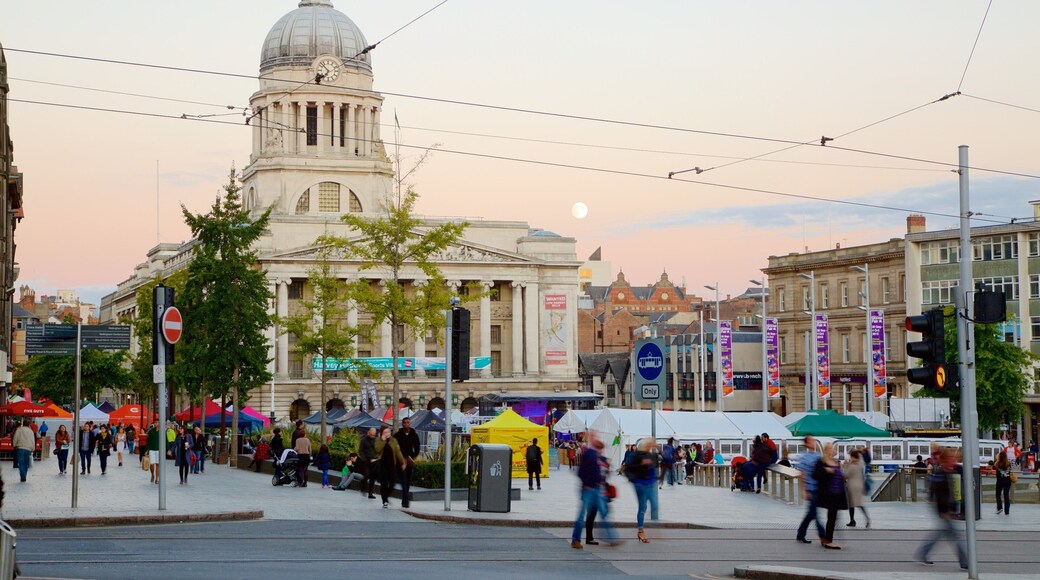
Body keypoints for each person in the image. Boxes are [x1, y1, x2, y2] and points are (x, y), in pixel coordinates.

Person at [914, 447, 968, 569]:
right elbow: (937, 495)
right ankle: (965, 562)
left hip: (948, 509)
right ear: (944, 461)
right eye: (950, 459)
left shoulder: (955, 470)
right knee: (955, 535)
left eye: (953, 458)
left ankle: (922, 553)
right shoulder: (939, 473)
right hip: (941, 508)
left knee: (940, 533)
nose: (953, 461)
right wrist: (943, 511)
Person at [570, 436, 617, 549]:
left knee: (603, 513)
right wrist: (586, 483)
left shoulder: (600, 459)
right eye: (599, 448)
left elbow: (602, 474)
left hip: (598, 489)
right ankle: (575, 540)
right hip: (588, 489)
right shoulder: (589, 455)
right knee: (582, 515)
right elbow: (580, 472)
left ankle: (611, 538)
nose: (601, 451)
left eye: (601, 449)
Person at [813, 443, 847, 549]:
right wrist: (826, 471)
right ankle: (828, 540)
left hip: (838, 493)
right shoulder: (821, 462)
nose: (834, 450)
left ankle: (827, 538)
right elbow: (815, 474)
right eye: (833, 448)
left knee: (832, 517)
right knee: (831, 517)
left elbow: (840, 476)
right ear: (827, 450)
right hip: (828, 493)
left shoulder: (836, 462)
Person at [628, 437, 659, 544]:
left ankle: (653, 527)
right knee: (642, 507)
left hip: (651, 484)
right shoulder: (636, 456)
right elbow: (629, 469)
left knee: (655, 506)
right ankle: (641, 531)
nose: (652, 446)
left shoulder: (651, 455)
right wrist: (641, 465)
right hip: (641, 484)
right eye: (650, 444)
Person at [795, 435, 825, 545]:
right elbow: (802, 474)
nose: (814, 442)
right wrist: (804, 489)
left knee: (811, 513)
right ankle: (823, 535)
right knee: (815, 513)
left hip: (817, 487)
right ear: (807, 443)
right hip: (810, 488)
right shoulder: (804, 457)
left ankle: (800, 534)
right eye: (811, 441)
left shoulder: (818, 456)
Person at [375, 425, 406, 508]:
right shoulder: (379, 440)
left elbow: (398, 452)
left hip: (392, 465)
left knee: (392, 482)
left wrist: (402, 462)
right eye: (385, 432)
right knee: (384, 483)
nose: (387, 434)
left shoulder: (393, 440)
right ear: (382, 433)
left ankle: (386, 495)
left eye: (388, 432)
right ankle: (384, 500)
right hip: (382, 465)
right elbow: (377, 449)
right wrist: (383, 440)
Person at [394, 417, 421, 508]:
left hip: (409, 460)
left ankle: (404, 499)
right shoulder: (397, 435)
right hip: (401, 461)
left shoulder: (414, 434)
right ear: (402, 424)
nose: (406, 424)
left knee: (408, 481)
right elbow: (395, 448)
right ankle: (405, 500)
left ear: (410, 424)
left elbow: (417, 447)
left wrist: (411, 457)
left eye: (408, 422)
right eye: (404, 422)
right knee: (403, 480)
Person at [844, 449, 871, 528]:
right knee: (857, 504)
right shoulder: (860, 464)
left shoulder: (852, 466)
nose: (850, 458)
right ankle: (855, 520)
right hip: (860, 486)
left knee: (852, 504)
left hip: (852, 487)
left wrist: (845, 466)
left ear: (853, 457)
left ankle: (853, 520)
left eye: (851, 457)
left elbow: (846, 475)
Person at [360, 427, 378, 499]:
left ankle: (370, 493)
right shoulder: (364, 440)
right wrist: (364, 459)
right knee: (366, 475)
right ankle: (363, 486)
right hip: (366, 460)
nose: (372, 436)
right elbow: (361, 450)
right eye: (371, 434)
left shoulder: (376, 440)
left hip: (374, 460)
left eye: (373, 435)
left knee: (373, 478)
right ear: (368, 433)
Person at [995, 449, 1013, 515]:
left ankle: (1000, 507)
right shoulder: (1008, 463)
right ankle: (1007, 511)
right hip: (1008, 481)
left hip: (1000, 481)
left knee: (998, 494)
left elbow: (994, 469)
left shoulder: (997, 463)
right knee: (1006, 495)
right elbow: (1010, 471)